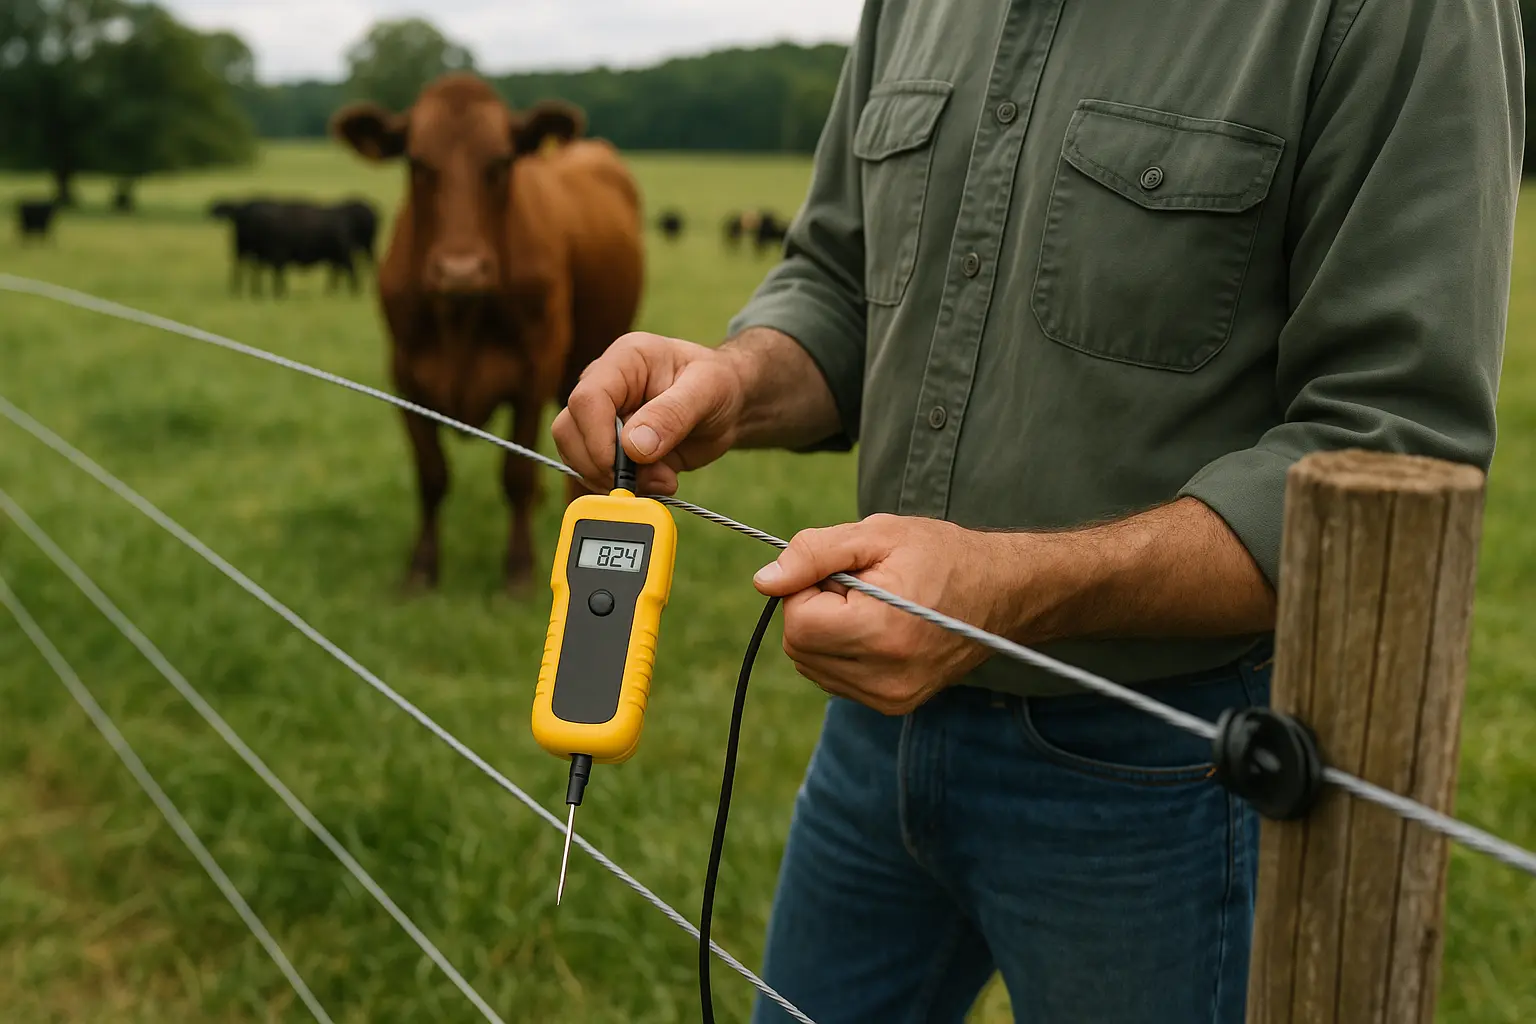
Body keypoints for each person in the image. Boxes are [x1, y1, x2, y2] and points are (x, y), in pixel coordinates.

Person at [553, 0, 1523, 1019]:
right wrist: (732, 379)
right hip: (874, 734)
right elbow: (840, 282)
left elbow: (1386, 439)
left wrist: (1009, 589)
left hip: (1168, 764)